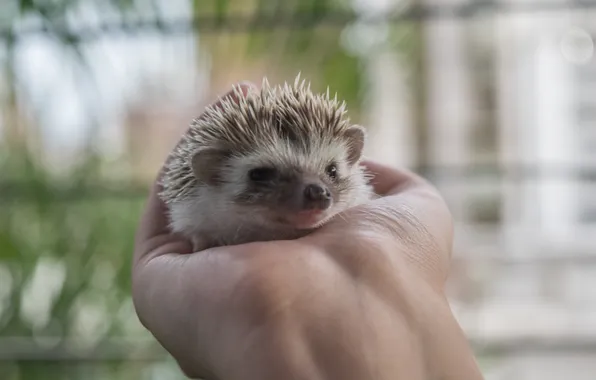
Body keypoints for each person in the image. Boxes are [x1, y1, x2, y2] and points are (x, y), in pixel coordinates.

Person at [131, 83, 484, 380]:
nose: (316, 192)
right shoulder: (199, 217)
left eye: (331, 171)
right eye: (262, 175)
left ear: (351, 158)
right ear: (211, 174)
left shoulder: (362, 207)